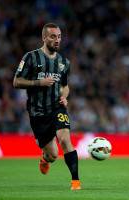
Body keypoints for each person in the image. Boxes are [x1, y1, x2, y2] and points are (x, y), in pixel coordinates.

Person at [13, 23, 81, 190]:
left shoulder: (64, 62)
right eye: (53, 36)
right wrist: (39, 82)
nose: (57, 40)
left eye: (59, 37)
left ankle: (76, 182)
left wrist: (64, 97)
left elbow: (65, 86)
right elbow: (16, 82)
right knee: (53, 155)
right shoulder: (31, 57)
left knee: (65, 140)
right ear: (44, 38)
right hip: (37, 113)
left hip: (57, 108)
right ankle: (45, 159)